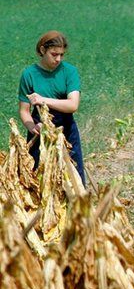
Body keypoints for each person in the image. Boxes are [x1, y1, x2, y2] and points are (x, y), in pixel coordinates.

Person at [18, 30, 86, 185]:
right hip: (40, 130)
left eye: (61, 54)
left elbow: (73, 105)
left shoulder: (69, 71)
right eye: (54, 54)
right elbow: (24, 110)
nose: (58, 59)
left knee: (74, 178)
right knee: (38, 179)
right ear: (43, 50)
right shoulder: (29, 74)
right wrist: (32, 126)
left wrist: (42, 100)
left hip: (66, 128)